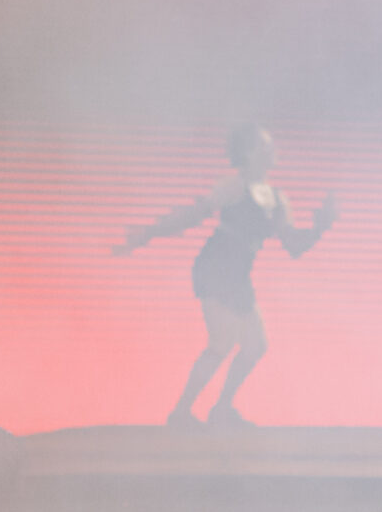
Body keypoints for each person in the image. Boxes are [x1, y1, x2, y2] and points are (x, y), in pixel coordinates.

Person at [116, 124, 334, 427]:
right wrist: (149, 233)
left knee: (255, 345)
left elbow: (293, 245)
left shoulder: (277, 198)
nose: (272, 150)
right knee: (222, 341)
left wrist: (320, 227)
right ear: (247, 152)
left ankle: (220, 409)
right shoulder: (233, 187)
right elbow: (192, 215)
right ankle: (181, 412)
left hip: (238, 274)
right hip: (216, 267)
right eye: (264, 145)